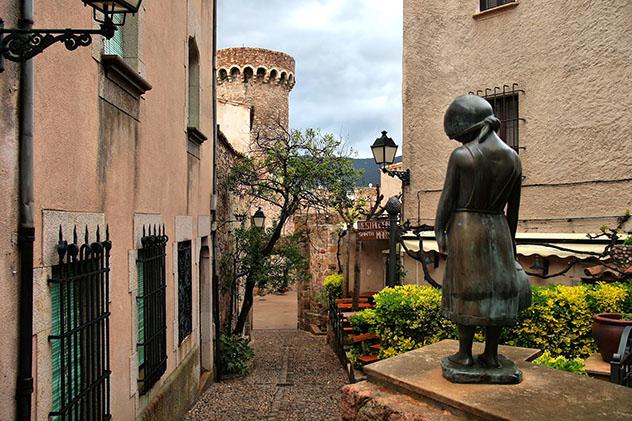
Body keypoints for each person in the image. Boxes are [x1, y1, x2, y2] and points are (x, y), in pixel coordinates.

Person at [435, 95, 531, 368]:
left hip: (466, 229)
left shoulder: (462, 156)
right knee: (497, 291)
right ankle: (491, 354)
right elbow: (513, 210)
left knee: (466, 290)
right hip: (498, 228)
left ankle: (464, 354)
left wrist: (439, 231)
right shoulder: (513, 159)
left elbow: (448, 199)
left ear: (468, 126)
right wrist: (510, 243)